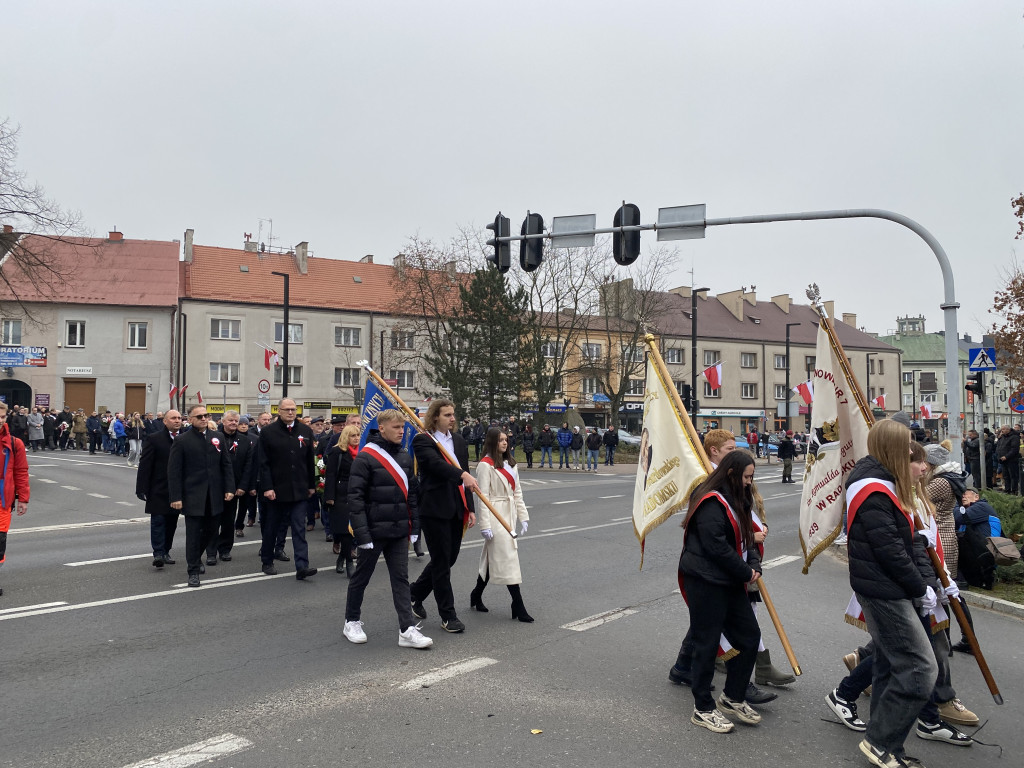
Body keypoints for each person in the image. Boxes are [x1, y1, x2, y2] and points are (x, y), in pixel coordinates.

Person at [845, 419, 937, 768]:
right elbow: (891, 551)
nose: (911, 452)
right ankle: (881, 742)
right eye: (906, 446)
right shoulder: (874, 490)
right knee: (919, 668)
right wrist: (920, 587)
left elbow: (902, 541)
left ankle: (884, 742)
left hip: (886, 586)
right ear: (892, 450)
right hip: (886, 590)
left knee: (889, 664)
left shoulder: (880, 484)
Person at [679, 450, 763, 733]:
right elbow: (716, 546)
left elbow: (747, 534)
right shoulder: (709, 500)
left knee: (749, 637)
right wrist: (745, 571)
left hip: (730, 579)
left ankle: (733, 696)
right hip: (705, 580)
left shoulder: (739, 494)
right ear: (731, 474)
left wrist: (754, 563)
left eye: (752, 477)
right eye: (747, 477)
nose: (750, 482)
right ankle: (702, 707)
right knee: (707, 642)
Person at [342, 409, 432, 649]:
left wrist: (415, 528)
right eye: (396, 428)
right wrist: (362, 534)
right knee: (362, 577)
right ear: (381, 428)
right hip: (372, 531)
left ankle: (407, 629)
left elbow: (412, 495)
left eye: (403, 428)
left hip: (399, 530)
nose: (401, 432)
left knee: (401, 579)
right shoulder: (366, 457)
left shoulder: (404, 456)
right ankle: (351, 620)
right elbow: (356, 498)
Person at [409, 398, 479, 633]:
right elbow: (435, 466)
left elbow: (466, 474)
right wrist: (461, 475)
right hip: (434, 508)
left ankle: (415, 593)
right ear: (435, 417)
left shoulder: (458, 441)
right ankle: (448, 615)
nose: (452, 418)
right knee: (441, 563)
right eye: (447, 414)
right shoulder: (423, 440)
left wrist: (470, 508)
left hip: (457, 507)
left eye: (453, 414)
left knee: (449, 559)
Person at [168, 405, 234, 588]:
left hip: (215, 495)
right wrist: (176, 497)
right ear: (190, 419)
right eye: (199, 416)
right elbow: (174, 471)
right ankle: (193, 571)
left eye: (207, 415)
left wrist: (230, 488)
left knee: (212, 531)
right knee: (193, 534)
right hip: (193, 496)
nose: (204, 418)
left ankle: (196, 558)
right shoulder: (182, 440)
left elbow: (226, 465)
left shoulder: (217, 437)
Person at [469, 428, 533, 621]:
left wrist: (524, 516)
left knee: (492, 559)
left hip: (510, 513)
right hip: (495, 515)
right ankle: (518, 604)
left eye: (506, 439)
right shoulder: (485, 466)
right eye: (500, 440)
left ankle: (476, 594)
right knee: (508, 557)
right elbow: (483, 497)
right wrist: (485, 525)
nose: (504, 443)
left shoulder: (511, 464)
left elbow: (518, 493)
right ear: (492, 442)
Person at [259, 398, 318, 580]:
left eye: (293, 409)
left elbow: (309, 461)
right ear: (279, 411)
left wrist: (311, 485)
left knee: (299, 528)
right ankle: (267, 560)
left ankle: (302, 566)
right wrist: (267, 487)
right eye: (287, 409)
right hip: (277, 490)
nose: (291, 412)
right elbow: (263, 463)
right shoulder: (269, 432)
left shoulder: (305, 431)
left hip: (299, 489)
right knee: (272, 527)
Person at [206, 410, 254, 564]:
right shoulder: (212, 438)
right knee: (213, 521)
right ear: (223, 421)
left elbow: (249, 466)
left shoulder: (245, 441)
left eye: (236, 421)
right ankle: (211, 552)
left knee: (228, 521)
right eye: (231, 420)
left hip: (234, 488)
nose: (234, 423)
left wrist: (242, 486)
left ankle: (225, 549)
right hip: (214, 487)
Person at [135, 410, 183, 568]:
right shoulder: (155, 439)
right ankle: (158, 553)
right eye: (173, 418)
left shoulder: (184, 438)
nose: (177, 421)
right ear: (165, 421)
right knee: (158, 522)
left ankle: (166, 550)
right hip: (157, 488)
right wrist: (141, 488)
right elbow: (145, 464)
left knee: (171, 523)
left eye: (179, 418)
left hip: (176, 490)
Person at [0, 401, 30, 597]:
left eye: (2, 417)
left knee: (0, 542)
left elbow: (21, 472)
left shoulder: (14, 443)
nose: (0, 421)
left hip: (3, 501)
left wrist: (23, 498)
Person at [325, 424, 360, 576]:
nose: (357, 438)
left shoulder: (363, 451)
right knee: (345, 530)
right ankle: (349, 562)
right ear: (346, 437)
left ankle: (341, 557)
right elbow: (331, 475)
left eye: (358, 435)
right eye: (353, 436)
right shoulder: (337, 451)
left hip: (358, 493)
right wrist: (329, 497)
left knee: (353, 531)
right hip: (340, 494)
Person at [996, 425, 1020, 495]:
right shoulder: (1003, 437)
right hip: (1003, 460)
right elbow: (999, 446)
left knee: (1013, 475)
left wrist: (1006, 456)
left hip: (1011, 459)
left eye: (1003, 429)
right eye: (1001, 430)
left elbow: (1014, 449)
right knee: (1005, 476)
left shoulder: (1014, 437)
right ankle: (1007, 489)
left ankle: (1014, 490)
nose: (1002, 431)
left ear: (1008, 430)